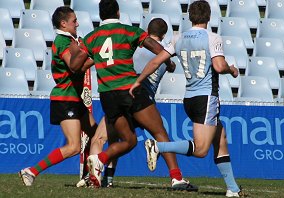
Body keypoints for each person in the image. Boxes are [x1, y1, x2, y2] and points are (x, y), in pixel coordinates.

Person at [69, 0, 197, 191]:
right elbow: (155, 48)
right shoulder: (130, 31)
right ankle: (176, 178)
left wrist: (91, 57)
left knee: (127, 141)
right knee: (159, 132)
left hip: (107, 95)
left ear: (100, 15)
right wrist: (169, 64)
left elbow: (74, 66)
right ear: (118, 13)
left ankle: (100, 161)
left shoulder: (91, 37)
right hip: (130, 91)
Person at [129, 1, 244, 197]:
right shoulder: (212, 37)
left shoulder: (178, 38)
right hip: (206, 97)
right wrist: (231, 69)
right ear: (208, 17)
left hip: (189, 98)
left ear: (190, 17)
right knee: (201, 150)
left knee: (220, 137)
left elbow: (156, 60)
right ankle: (158, 147)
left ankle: (233, 189)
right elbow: (218, 66)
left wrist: (138, 81)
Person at [18, 6, 99, 186]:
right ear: (63, 24)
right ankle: (31, 171)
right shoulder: (62, 40)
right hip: (65, 99)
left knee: (97, 134)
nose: (77, 24)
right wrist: (95, 58)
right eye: (74, 21)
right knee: (74, 146)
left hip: (75, 98)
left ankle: (90, 176)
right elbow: (73, 66)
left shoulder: (73, 39)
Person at [95, 17, 176, 188]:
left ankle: (107, 178)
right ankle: (175, 177)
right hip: (143, 99)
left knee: (114, 138)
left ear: (147, 31)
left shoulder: (137, 49)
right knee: (160, 133)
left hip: (122, 94)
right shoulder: (163, 54)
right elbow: (171, 66)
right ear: (164, 34)